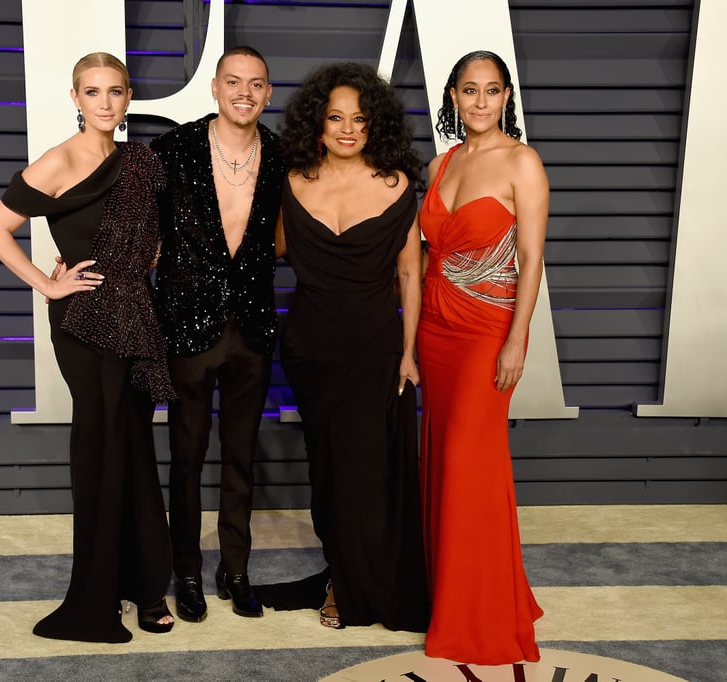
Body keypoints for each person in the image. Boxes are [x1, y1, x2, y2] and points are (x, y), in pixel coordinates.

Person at [0, 52, 174, 643]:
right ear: (76, 98)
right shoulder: (59, 160)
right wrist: (47, 282)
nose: (106, 103)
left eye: (115, 91)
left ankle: (143, 586)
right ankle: (96, 593)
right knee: (101, 449)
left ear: (128, 96)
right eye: (93, 92)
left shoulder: (138, 159)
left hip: (137, 315)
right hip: (86, 320)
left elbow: (148, 236)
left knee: (136, 449)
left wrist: (145, 259)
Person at [265, 62, 429, 632]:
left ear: (373, 125)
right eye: (335, 118)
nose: (346, 129)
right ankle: (340, 569)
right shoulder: (291, 183)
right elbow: (264, 250)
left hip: (377, 348)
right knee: (328, 471)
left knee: (366, 471)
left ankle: (356, 585)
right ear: (318, 122)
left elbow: (411, 275)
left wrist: (409, 353)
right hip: (310, 349)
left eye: (358, 120)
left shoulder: (397, 185)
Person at [417, 50, 546, 664]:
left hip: (487, 332)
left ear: (505, 98)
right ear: (452, 97)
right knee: (443, 462)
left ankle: (483, 615)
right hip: (435, 332)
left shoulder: (523, 162)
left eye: (492, 91)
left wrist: (518, 339)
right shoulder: (440, 163)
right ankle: (454, 593)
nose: (480, 102)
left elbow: (532, 260)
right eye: (469, 91)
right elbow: (420, 257)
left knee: (473, 466)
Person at [150, 46, 285, 622]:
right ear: (214, 87)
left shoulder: (281, 154)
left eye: (256, 84)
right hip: (185, 323)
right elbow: (139, 230)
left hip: (251, 324)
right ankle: (186, 570)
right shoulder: (171, 149)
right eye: (234, 81)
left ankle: (236, 569)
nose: (245, 93)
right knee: (185, 456)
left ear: (268, 94)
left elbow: (284, 236)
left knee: (240, 456)